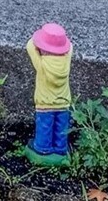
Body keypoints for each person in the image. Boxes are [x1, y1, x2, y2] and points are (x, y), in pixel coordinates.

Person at [25, 22, 73, 163]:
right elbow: (70, 47)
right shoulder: (66, 61)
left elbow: (30, 46)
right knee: (61, 128)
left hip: (45, 103)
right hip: (64, 102)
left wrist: (39, 40)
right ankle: (60, 148)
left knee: (45, 126)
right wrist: (61, 42)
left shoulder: (42, 64)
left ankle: (42, 148)